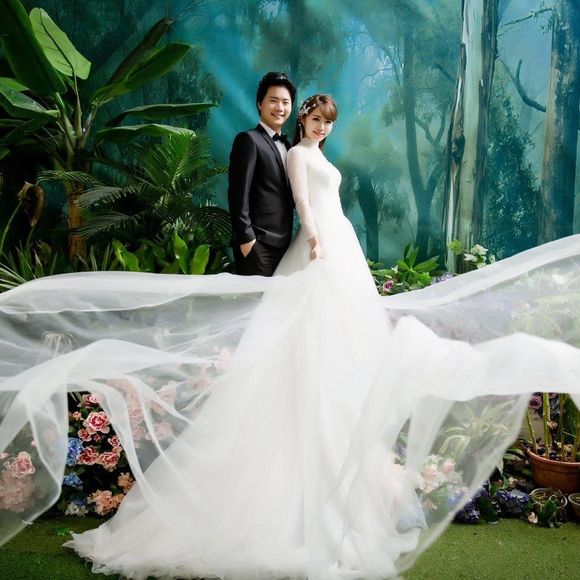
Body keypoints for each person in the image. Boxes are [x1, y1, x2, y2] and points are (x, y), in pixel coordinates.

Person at [0, 95, 580, 580]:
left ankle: (335, 485)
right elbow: (302, 199)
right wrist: (317, 236)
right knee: (303, 354)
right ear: (302, 117)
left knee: (343, 355)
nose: (321, 127)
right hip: (320, 247)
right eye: (315, 118)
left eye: (328, 122)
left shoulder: (314, 151)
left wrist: (333, 236)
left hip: (341, 249)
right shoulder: (297, 155)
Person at [228, 72, 296, 276]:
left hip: (285, 245)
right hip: (257, 244)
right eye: (273, 100)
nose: (280, 108)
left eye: (285, 102)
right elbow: (237, 194)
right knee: (255, 298)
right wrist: (247, 240)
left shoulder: (289, 146)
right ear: (260, 103)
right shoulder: (248, 140)